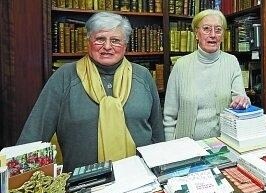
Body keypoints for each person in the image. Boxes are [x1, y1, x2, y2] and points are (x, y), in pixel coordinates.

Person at [18, 11, 165, 173]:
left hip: (140, 179)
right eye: (100, 39)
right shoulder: (65, 77)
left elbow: (157, 133)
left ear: (125, 45)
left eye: (115, 40)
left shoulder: (143, 76)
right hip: (81, 186)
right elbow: (34, 135)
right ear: (88, 41)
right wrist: (20, 185)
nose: (107, 47)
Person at [163, 9, 250, 141]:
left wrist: (243, 101)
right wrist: (171, 148)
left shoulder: (231, 62)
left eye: (218, 30)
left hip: (223, 145)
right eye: (207, 29)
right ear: (196, 34)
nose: (213, 35)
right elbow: (169, 116)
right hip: (185, 147)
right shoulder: (181, 65)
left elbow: (240, 98)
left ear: (223, 35)